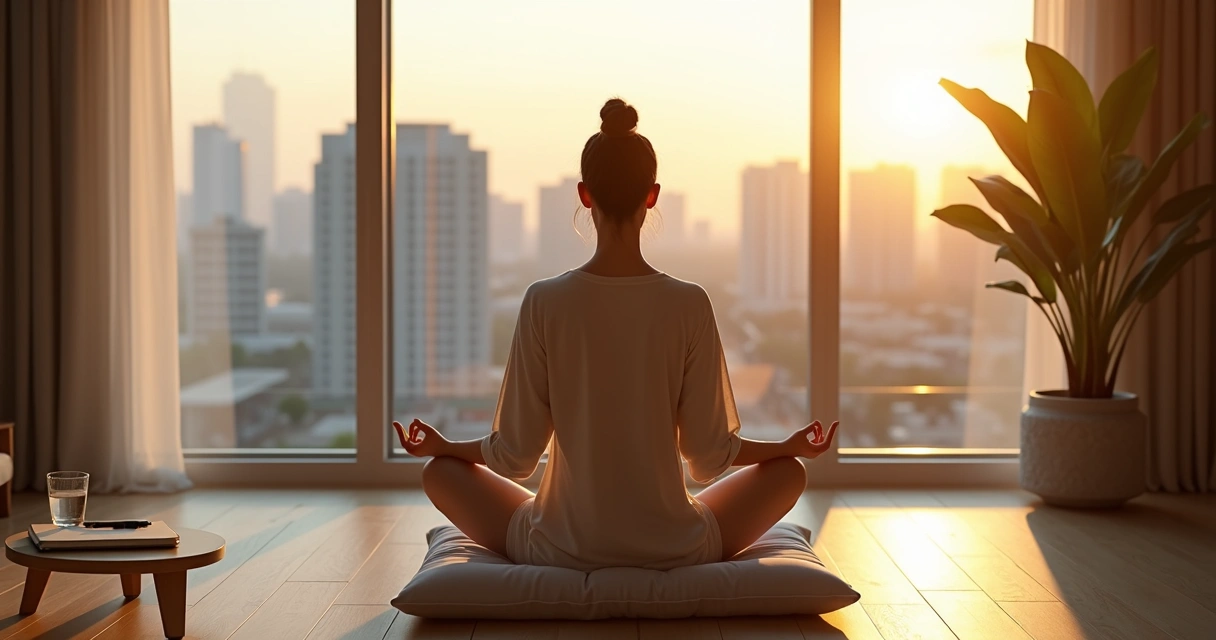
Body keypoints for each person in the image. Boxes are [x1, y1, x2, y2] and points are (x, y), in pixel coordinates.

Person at [392, 98, 839, 571]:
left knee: (439, 473)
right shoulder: (689, 303)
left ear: (585, 195)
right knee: (788, 473)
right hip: (675, 545)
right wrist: (787, 448)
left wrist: (445, 448)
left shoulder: (544, 301)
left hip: (558, 546)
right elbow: (708, 459)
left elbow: (514, 456)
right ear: (653, 195)